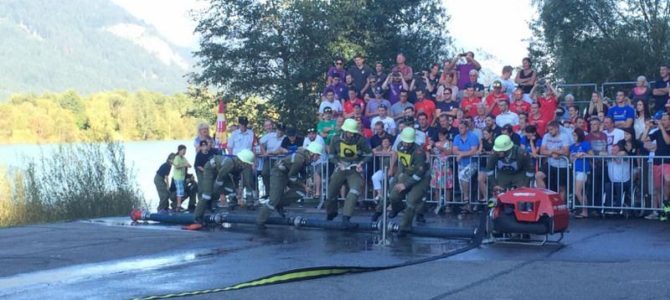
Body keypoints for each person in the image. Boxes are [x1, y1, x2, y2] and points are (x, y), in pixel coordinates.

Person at [372, 128, 430, 236]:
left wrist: (405, 184)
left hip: (421, 179)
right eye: (405, 142)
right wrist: (397, 178)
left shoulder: (419, 152)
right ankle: (397, 208)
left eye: (409, 143)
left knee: (411, 202)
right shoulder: (399, 147)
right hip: (406, 174)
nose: (406, 144)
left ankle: (405, 228)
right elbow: (402, 164)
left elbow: (419, 173)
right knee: (393, 195)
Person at [184, 149, 256, 230]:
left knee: (230, 189)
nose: (248, 166)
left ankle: (210, 203)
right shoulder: (230, 164)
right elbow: (220, 178)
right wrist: (218, 191)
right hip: (210, 169)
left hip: (220, 171)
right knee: (206, 195)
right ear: (243, 162)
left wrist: (237, 192)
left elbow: (235, 179)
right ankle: (197, 218)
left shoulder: (239, 166)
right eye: (247, 164)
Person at [256, 143, 323, 228]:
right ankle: (260, 221)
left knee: (300, 191)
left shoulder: (305, 158)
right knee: (273, 199)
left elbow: (302, 173)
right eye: (318, 155)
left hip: (287, 174)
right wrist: (305, 186)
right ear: (313, 154)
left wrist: (307, 182)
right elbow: (293, 177)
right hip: (278, 174)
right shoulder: (299, 159)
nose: (318, 158)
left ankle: (279, 204)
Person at [325, 118, 372, 227]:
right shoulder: (335, 139)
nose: (352, 135)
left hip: (354, 170)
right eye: (350, 132)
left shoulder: (360, 140)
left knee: (354, 192)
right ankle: (331, 213)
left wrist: (361, 163)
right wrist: (338, 163)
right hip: (340, 168)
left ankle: (346, 217)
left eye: (353, 132)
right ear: (345, 131)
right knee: (331, 194)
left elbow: (369, 154)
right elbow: (331, 156)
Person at [642, 113, 670, 221]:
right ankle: (663, 210)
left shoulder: (663, 131)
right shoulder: (657, 132)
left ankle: (666, 204)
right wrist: (647, 127)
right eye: (662, 120)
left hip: (667, 161)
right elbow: (644, 139)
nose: (663, 121)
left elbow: (668, 141)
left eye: (665, 119)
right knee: (658, 188)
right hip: (657, 162)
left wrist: (662, 128)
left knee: (667, 180)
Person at [536, 121, 571, 200]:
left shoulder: (564, 136)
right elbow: (542, 151)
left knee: (561, 188)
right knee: (538, 175)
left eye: (551, 130)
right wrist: (552, 152)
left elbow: (566, 151)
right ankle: (544, 199)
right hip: (550, 163)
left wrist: (554, 152)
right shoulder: (546, 136)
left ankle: (561, 206)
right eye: (549, 130)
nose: (550, 132)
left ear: (557, 129)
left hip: (562, 165)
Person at [452, 121, 480, 213]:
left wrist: (461, 154)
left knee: (463, 177)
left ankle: (466, 198)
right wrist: (463, 154)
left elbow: (473, 151)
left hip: (473, 163)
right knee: (461, 183)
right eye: (459, 128)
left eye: (462, 128)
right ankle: (467, 205)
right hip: (461, 163)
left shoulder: (473, 137)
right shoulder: (457, 137)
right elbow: (454, 150)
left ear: (466, 128)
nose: (460, 130)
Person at [570, 128, 593, 218]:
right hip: (575, 170)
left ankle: (585, 210)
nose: (574, 137)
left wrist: (583, 154)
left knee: (578, 191)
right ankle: (583, 210)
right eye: (573, 135)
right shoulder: (572, 146)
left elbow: (592, 155)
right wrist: (573, 156)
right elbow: (570, 158)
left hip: (583, 170)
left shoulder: (585, 144)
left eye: (575, 135)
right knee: (580, 192)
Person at [303, 128, 327, 199]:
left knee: (316, 173)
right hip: (311, 161)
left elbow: (316, 154)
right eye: (309, 134)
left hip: (321, 161)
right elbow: (305, 151)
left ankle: (317, 192)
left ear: (316, 134)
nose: (311, 135)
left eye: (313, 134)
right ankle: (309, 192)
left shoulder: (319, 139)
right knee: (307, 174)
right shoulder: (306, 139)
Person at [371, 136, 393, 202]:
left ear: (390, 143)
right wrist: (383, 153)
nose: (385, 143)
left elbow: (393, 153)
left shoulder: (393, 148)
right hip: (382, 170)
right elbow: (373, 151)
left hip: (392, 170)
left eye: (387, 141)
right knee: (375, 177)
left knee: (391, 182)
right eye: (384, 142)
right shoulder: (380, 147)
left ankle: (390, 199)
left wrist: (382, 153)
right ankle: (380, 194)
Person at [194, 140, 215, 206]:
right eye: (202, 146)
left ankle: (209, 203)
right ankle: (200, 203)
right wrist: (205, 170)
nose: (204, 147)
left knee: (210, 187)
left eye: (205, 145)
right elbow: (198, 165)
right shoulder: (199, 155)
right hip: (200, 171)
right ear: (200, 147)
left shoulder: (210, 154)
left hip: (209, 172)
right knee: (201, 187)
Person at [171, 145, 191, 211]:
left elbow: (188, 164)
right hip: (177, 177)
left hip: (182, 178)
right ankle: (178, 206)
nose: (184, 152)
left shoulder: (183, 158)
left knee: (182, 192)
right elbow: (176, 166)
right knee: (180, 192)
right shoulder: (177, 158)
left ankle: (178, 205)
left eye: (185, 150)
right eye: (183, 150)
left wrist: (188, 165)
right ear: (179, 151)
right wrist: (184, 165)